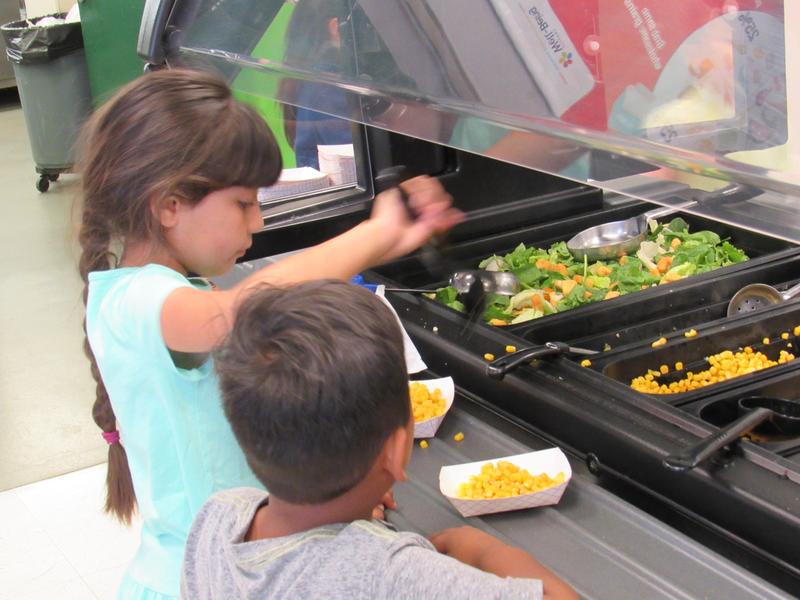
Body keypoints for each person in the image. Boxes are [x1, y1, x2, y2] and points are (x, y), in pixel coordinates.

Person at [78, 68, 462, 600]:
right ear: (168, 205)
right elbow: (235, 312)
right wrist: (376, 235)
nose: (257, 223)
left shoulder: (173, 287)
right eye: (243, 204)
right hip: (198, 583)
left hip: (239, 565)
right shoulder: (136, 302)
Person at [182, 280, 579, 600]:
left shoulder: (216, 516)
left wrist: (353, 518)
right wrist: (478, 547)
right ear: (392, 452)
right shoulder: (395, 574)